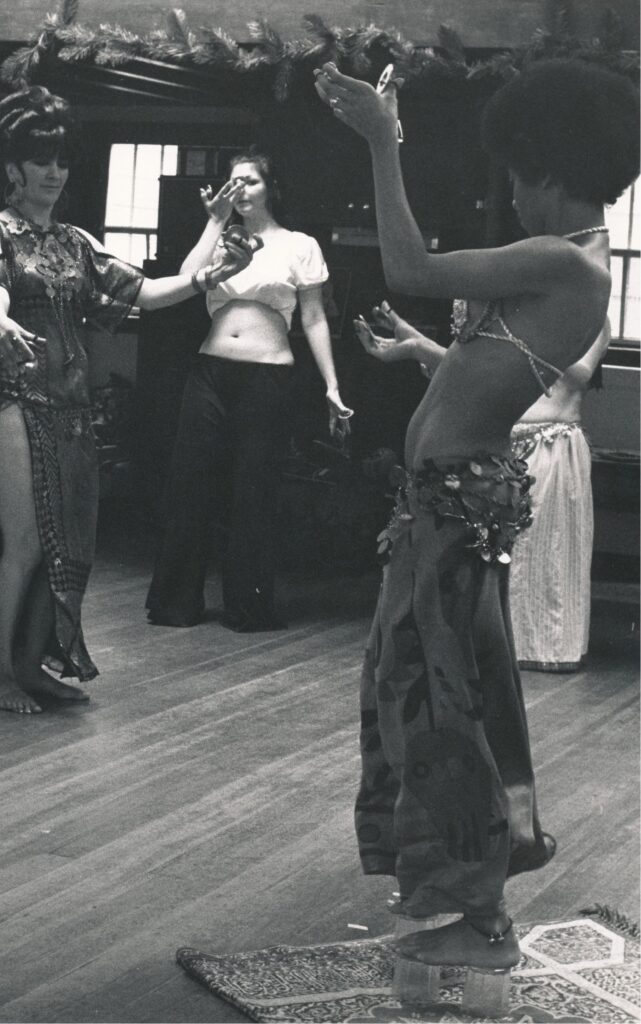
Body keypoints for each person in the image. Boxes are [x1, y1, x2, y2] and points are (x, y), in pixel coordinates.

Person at [314, 57, 638, 1002]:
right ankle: (467, 901)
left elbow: (407, 266)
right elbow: (481, 373)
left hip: (453, 511)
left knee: (448, 711)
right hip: (440, 507)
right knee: (425, 699)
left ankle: (487, 923)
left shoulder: (564, 258)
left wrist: (383, 141)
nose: (508, 187)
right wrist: (423, 352)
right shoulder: (564, 253)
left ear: (548, 162)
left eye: (516, 171)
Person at [0, 87, 253, 715]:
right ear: (14, 169)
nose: (54, 173)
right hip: (15, 400)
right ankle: (0, 675)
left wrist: (206, 272)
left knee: (69, 545)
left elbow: (146, 292)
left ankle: (34, 667)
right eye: (42, 162)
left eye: (62, 161)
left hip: (70, 408)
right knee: (26, 543)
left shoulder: (75, 242)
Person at [145, 149, 353, 632]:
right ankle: (177, 602)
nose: (239, 191)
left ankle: (248, 606)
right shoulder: (220, 241)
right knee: (190, 482)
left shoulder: (300, 245)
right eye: (232, 184)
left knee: (253, 490)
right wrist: (213, 223)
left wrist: (332, 384)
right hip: (210, 371)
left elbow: (315, 318)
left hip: (268, 374)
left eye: (250, 182)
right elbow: (183, 280)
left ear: (270, 188)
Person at [357, 307, 612, 677]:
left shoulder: (592, 317)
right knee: (503, 555)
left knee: (547, 552)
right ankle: (497, 648)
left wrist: (520, 335)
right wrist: (417, 345)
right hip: (504, 444)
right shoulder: (514, 319)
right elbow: (473, 370)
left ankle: (545, 648)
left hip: (553, 445)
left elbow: (578, 375)